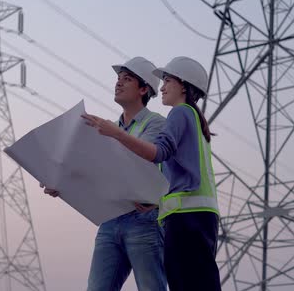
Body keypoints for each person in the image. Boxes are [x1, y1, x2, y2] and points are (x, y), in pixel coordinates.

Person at [82, 56, 221, 291]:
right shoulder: (192, 118)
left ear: (184, 85)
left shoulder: (178, 114)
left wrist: (117, 134)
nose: (163, 86)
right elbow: (165, 172)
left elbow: (157, 154)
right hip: (194, 216)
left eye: (168, 80)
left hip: (185, 216)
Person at [42, 56, 168, 291]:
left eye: (127, 79)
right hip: (110, 222)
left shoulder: (156, 123)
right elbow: (99, 173)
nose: (118, 83)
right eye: (118, 78)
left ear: (144, 89)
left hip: (144, 222)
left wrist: (112, 136)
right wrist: (62, 184)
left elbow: (141, 161)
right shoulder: (109, 128)